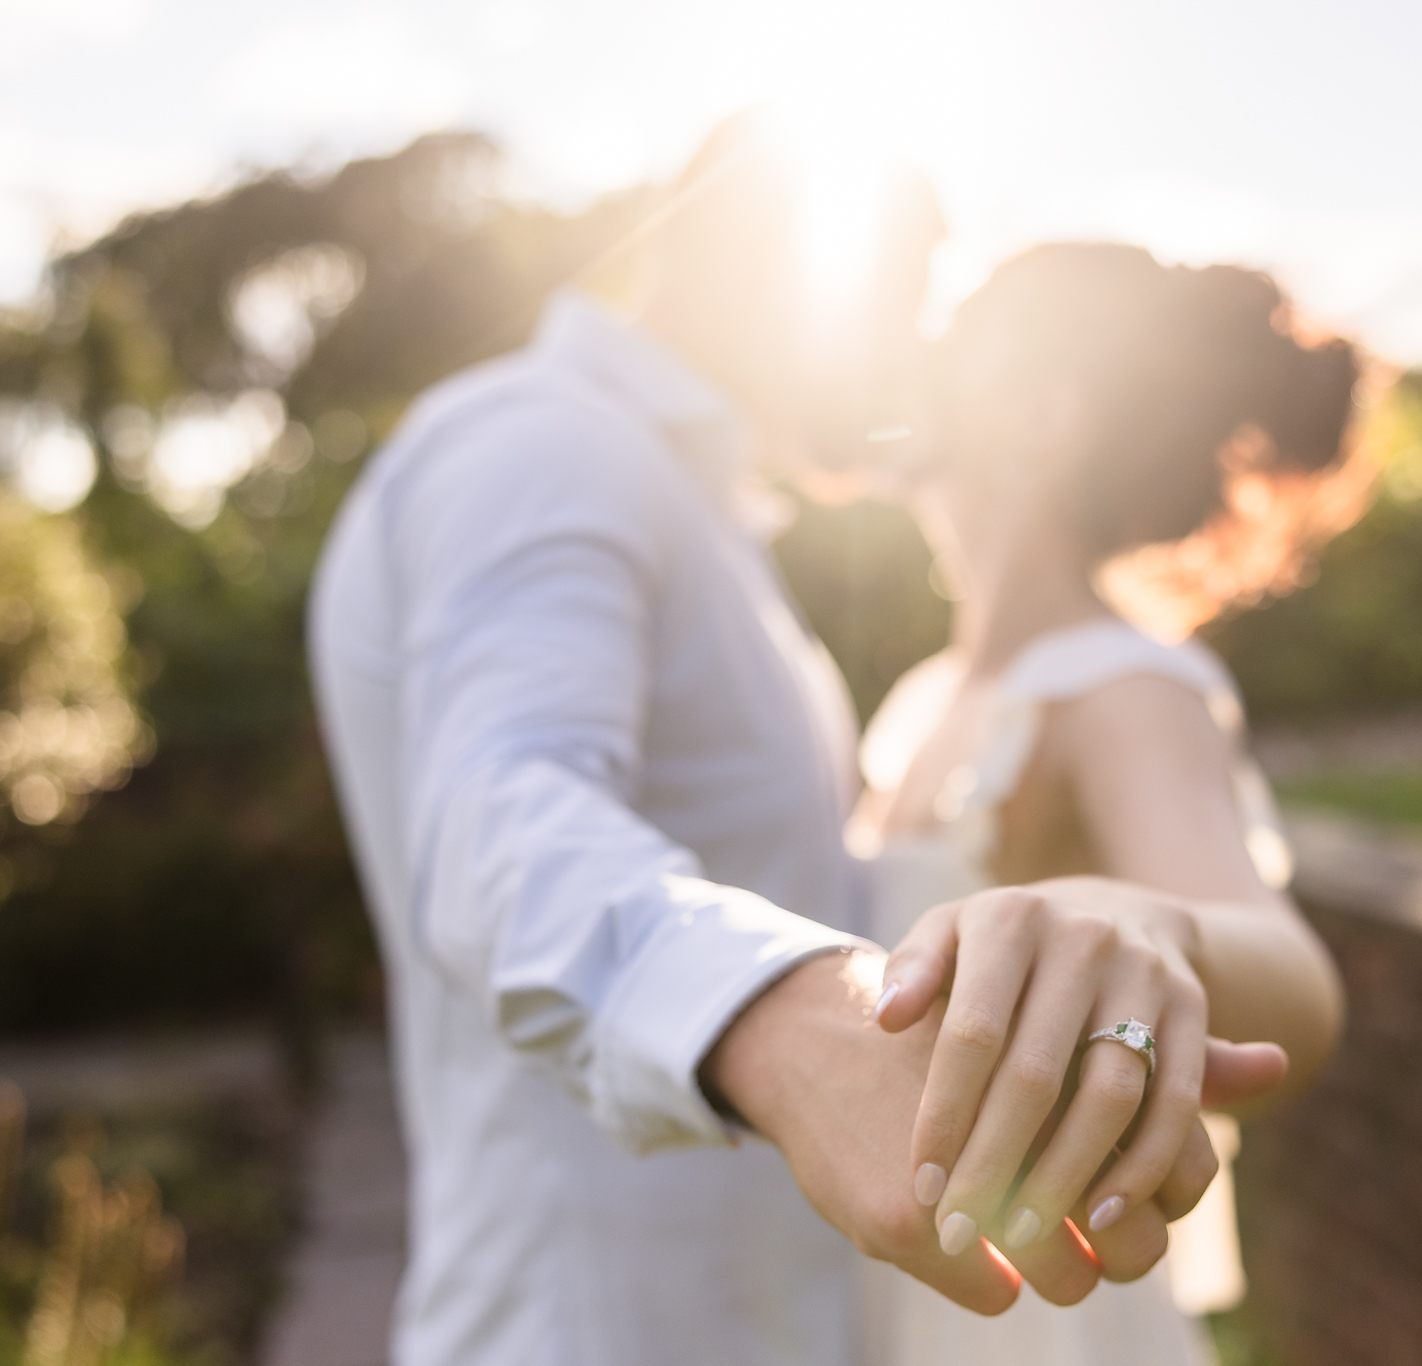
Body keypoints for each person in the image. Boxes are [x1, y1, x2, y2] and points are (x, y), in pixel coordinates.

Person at [307, 118, 1289, 1366]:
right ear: (776, 259)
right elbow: (500, 809)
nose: (917, 353)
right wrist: (778, 1016)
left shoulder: (707, 523)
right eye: (912, 291)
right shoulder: (543, 445)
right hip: (598, 1327)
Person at [850, 242, 1364, 1364]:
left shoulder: (1120, 692)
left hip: (1036, 1314)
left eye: (957, 344)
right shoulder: (928, 695)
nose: (916, 362)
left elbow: (1296, 991)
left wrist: (1154, 928)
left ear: (1038, 416)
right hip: (905, 1279)